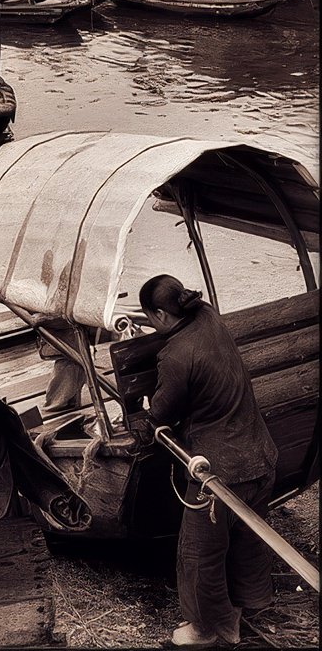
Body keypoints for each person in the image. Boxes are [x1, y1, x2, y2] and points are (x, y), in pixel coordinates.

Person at [136, 274, 278, 648]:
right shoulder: (208, 315)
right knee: (248, 537)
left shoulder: (177, 354)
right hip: (260, 456)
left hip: (218, 471)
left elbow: (162, 414)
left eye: (150, 318)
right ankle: (244, 608)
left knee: (199, 553)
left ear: (163, 316)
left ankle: (205, 628)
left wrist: (146, 413)